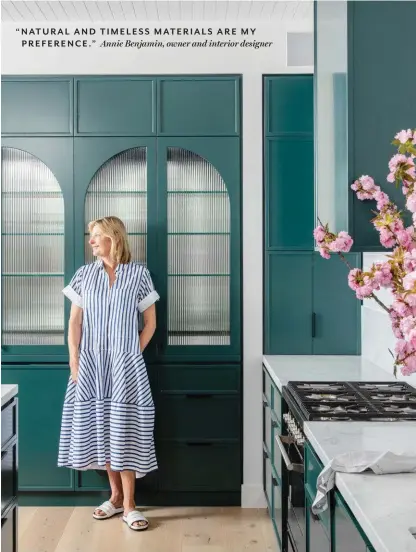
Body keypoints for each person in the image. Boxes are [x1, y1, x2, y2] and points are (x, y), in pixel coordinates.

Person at [57, 216, 159, 531]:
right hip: (90, 366)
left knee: (125, 429)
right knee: (102, 428)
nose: (91, 241)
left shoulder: (139, 275)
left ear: (113, 238)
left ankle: (130, 505)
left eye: (96, 235)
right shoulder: (84, 275)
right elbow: (74, 323)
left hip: (125, 368)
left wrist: (131, 353)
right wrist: (75, 362)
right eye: (91, 236)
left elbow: (151, 323)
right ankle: (115, 497)